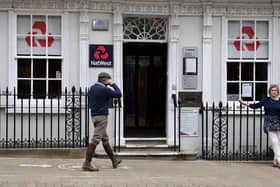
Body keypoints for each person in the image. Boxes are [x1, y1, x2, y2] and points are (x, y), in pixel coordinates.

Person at [82, 72, 122, 172]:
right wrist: (112, 84)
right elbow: (118, 94)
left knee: (105, 139)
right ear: (104, 80)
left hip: (94, 117)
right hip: (102, 117)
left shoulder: (92, 88)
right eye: (108, 80)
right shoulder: (104, 89)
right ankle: (87, 163)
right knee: (96, 139)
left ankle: (114, 160)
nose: (109, 81)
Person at [239, 84, 280, 167]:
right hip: (269, 123)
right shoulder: (265, 100)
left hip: (279, 122)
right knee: (275, 142)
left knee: (279, 143)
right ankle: (279, 159)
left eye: (275, 90)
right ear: (269, 91)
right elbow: (255, 106)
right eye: (272, 90)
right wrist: (245, 103)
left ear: (278, 91)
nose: (274, 92)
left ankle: (275, 161)